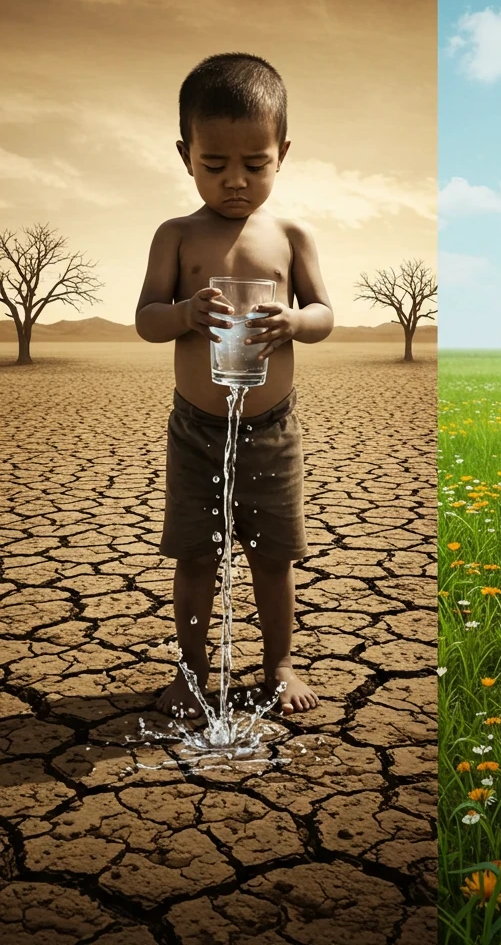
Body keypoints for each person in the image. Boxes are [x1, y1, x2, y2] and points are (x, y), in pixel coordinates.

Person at [135, 52, 334, 718]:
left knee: (272, 560)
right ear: (185, 154)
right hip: (196, 429)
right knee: (194, 559)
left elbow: (326, 314)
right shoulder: (176, 234)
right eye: (214, 165)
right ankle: (191, 674)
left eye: (255, 164)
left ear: (283, 152)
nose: (236, 182)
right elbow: (145, 319)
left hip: (272, 429)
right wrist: (185, 313)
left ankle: (279, 664)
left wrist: (296, 320)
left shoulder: (290, 233)